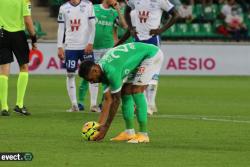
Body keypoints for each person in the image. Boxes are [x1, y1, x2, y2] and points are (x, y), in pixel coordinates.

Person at [78, 42, 164, 143]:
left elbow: (116, 101)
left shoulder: (111, 71)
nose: (91, 82)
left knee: (136, 90)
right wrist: (99, 126)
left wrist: (106, 127)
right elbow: (107, 99)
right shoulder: (102, 72)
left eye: (90, 79)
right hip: (137, 58)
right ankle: (129, 132)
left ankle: (143, 134)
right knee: (125, 92)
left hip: (151, 55)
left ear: (95, 70)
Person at [124, 0, 178, 115]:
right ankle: (142, 105)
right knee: (139, 73)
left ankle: (150, 104)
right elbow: (127, 10)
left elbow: (175, 14)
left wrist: (161, 30)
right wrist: (131, 28)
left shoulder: (160, 1)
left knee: (152, 73)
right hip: (138, 39)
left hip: (152, 39)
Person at [78, 0, 127, 112]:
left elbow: (124, 26)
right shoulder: (93, 8)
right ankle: (81, 102)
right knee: (88, 74)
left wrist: (118, 9)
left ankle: (100, 104)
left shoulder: (115, 11)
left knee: (105, 76)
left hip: (108, 48)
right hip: (92, 47)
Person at [57, 0, 96, 112]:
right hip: (70, 46)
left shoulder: (88, 5)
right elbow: (61, 28)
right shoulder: (63, 8)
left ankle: (93, 105)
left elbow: (93, 25)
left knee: (92, 74)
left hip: (85, 46)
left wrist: (90, 42)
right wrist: (60, 46)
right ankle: (74, 105)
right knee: (70, 74)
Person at [0, 0, 37, 116]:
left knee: (3, 70)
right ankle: (19, 105)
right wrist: (34, 38)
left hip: (2, 33)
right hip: (18, 35)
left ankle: (4, 107)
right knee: (24, 67)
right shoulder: (24, 0)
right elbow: (27, 20)